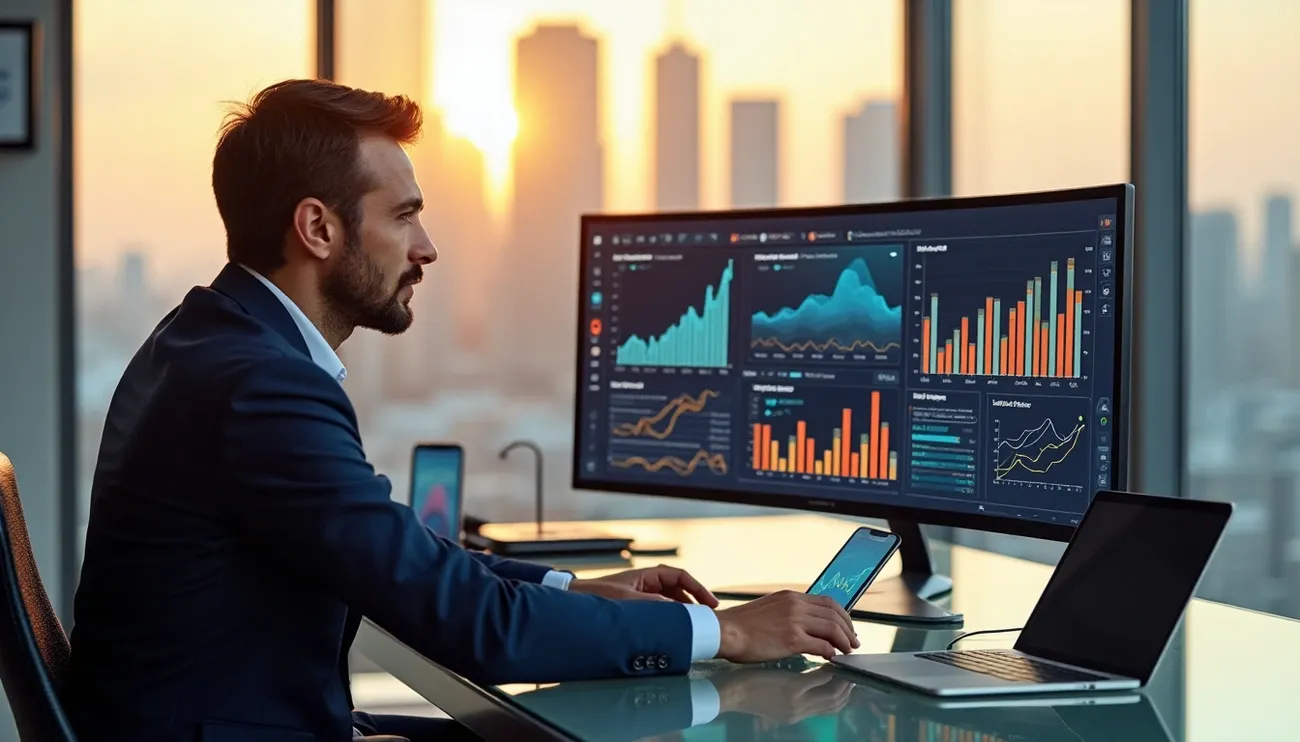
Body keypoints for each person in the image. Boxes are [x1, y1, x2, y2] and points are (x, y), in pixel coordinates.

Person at [60, 79, 858, 742]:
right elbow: (467, 622)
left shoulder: (205, 339)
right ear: (317, 227)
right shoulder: (261, 386)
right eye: (403, 215)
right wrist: (730, 631)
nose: (427, 247)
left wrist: (571, 592)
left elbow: (402, 559)